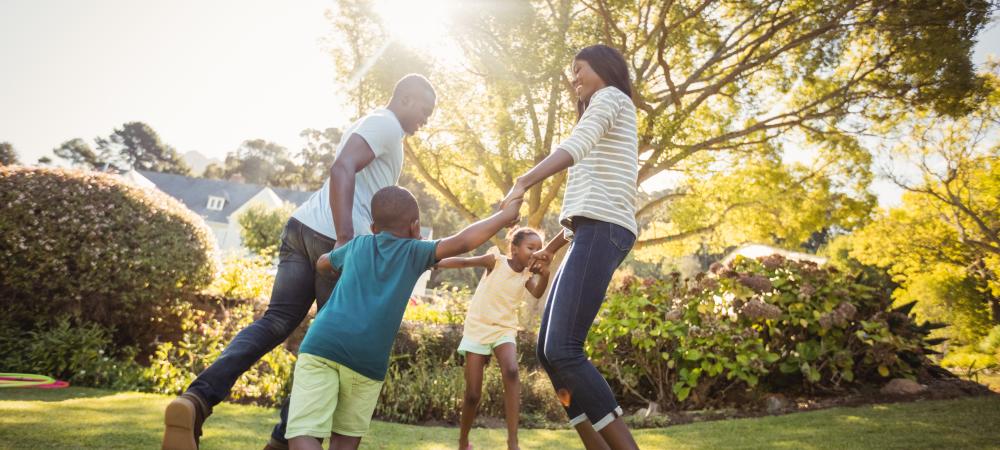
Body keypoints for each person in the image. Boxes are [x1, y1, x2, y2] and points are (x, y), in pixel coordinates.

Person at [162, 74, 437, 450]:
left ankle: (196, 400)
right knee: (329, 348)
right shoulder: (386, 125)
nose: (426, 119)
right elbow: (342, 168)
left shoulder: (374, 123)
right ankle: (280, 441)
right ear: (405, 98)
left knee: (277, 322)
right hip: (335, 240)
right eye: (425, 110)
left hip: (302, 228)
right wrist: (344, 237)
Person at [285, 186, 522, 450]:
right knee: (344, 439)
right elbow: (463, 241)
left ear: (374, 227)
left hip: (323, 345)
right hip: (367, 359)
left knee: (304, 432)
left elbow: (322, 262)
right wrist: (503, 217)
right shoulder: (415, 252)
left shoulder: (358, 245)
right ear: (414, 226)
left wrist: (329, 262)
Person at [500, 44, 640, 450]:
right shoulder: (606, 109)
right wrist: (555, 246)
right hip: (591, 229)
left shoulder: (611, 97)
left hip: (604, 230)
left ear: (605, 68)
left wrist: (523, 181)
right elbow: (588, 202)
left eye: (579, 69)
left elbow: (575, 146)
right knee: (548, 351)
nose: (574, 79)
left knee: (564, 347)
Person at [434, 228, 551, 450]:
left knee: (512, 371)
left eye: (539, 249)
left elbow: (536, 293)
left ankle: (513, 442)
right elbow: (464, 262)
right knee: (473, 394)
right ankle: (463, 441)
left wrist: (544, 275)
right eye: (531, 248)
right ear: (515, 249)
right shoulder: (495, 260)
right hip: (478, 327)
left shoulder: (526, 275)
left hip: (504, 329)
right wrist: (436, 262)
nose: (536, 253)